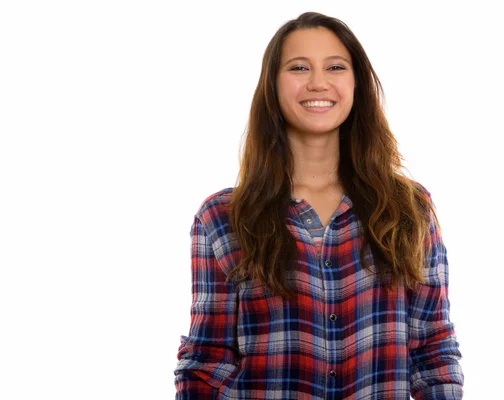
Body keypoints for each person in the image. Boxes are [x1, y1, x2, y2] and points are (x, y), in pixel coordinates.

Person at [173, 11, 464, 400]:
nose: (317, 82)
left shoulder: (408, 209)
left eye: (335, 66)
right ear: (272, 86)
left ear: (356, 82)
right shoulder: (222, 218)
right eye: (298, 67)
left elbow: (433, 351)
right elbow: (206, 364)